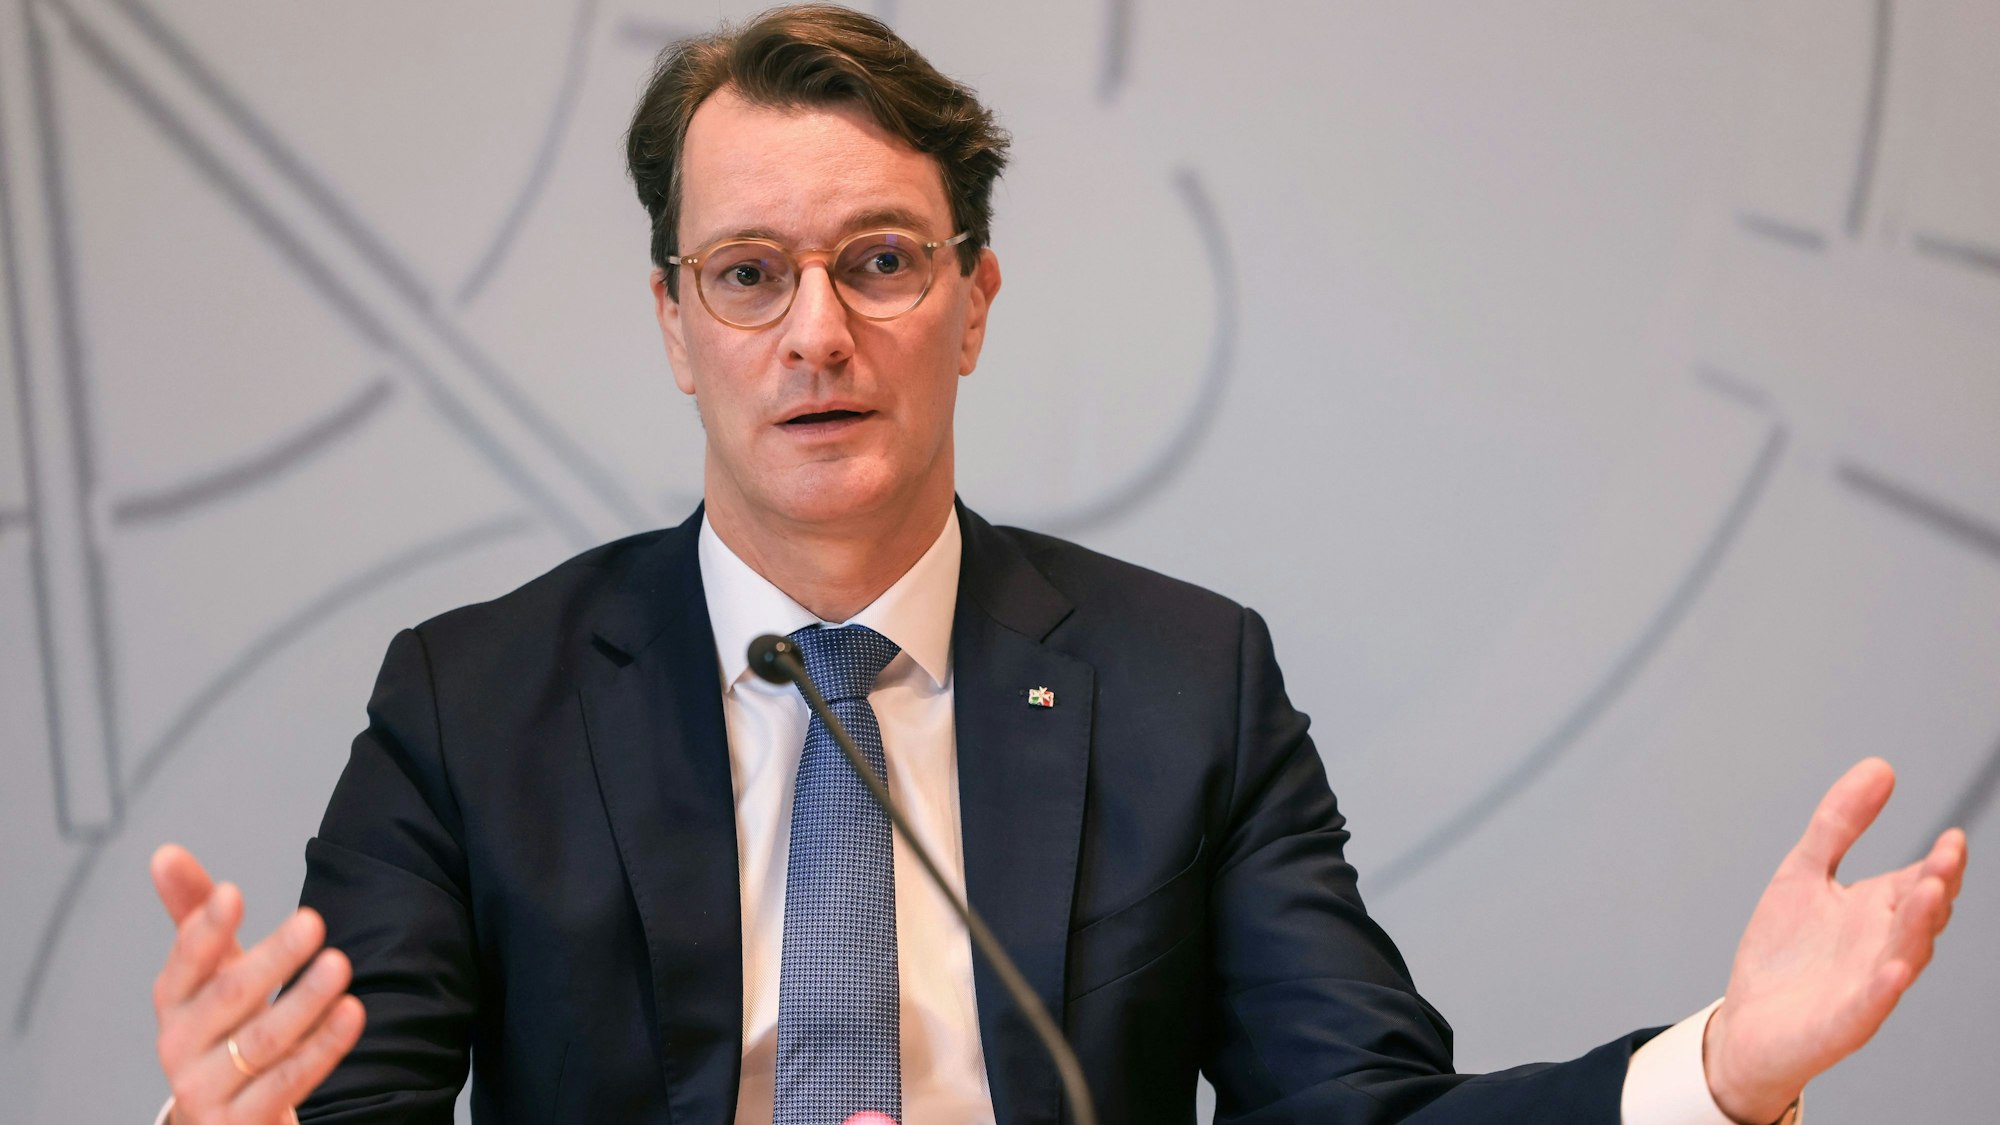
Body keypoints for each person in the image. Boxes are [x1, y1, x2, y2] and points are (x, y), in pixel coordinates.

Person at [145, 6, 1968, 1124]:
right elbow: (345, 1104)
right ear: (674, 324)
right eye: (749, 272)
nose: (815, 333)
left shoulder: (1187, 686)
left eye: (880, 259)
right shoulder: (476, 702)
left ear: (975, 303)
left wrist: (1721, 1072)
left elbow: (1362, 1114)